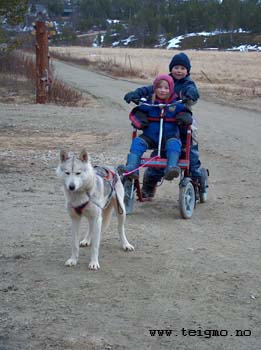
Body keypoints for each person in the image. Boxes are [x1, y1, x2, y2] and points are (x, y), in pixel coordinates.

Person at [124, 52, 201, 199]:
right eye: (176, 67)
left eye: (182, 68)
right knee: (158, 157)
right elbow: (148, 89)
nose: (179, 71)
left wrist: (190, 96)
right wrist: (135, 93)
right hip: (159, 124)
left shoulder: (188, 84)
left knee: (190, 154)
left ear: (187, 71)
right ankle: (148, 187)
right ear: (171, 68)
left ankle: (195, 185)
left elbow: (193, 92)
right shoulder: (164, 82)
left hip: (182, 120)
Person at [118, 74, 192, 182]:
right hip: (150, 137)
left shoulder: (176, 104)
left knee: (174, 144)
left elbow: (186, 113)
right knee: (138, 142)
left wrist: (184, 116)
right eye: (159, 87)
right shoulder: (149, 103)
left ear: (171, 89)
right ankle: (132, 168)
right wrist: (139, 118)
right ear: (154, 88)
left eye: (166, 88)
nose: (162, 90)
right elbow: (136, 113)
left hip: (170, 136)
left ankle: (171, 168)